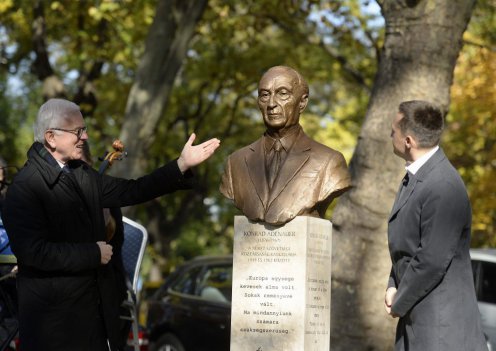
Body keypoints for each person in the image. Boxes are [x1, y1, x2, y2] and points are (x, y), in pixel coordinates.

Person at [1, 98, 220, 351]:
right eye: (78, 131)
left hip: (91, 320)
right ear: (51, 137)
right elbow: (34, 253)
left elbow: (133, 190)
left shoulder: (80, 174)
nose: (85, 136)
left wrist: (181, 165)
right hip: (55, 328)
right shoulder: (24, 188)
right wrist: (94, 253)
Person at [385, 100, 487, 351]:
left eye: (393, 131)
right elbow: (406, 247)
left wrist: (398, 300)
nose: (390, 135)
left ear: (408, 141)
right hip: (419, 320)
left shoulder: (443, 186)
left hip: (441, 330)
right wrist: (392, 284)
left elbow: (431, 260)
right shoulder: (417, 177)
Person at [220, 66, 351, 226]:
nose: (271, 104)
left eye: (283, 94)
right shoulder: (235, 163)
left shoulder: (329, 161)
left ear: (302, 102)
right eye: (264, 95)